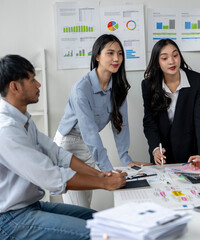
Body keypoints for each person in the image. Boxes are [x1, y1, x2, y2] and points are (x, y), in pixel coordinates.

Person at [0, 54, 127, 240]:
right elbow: (51, 177)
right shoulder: (4, 131)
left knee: (102, 221)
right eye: (32, 79)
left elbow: (57, 154)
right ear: (15, 86)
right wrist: (104, 183)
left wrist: (98, 174)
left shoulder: (22, 120)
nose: (38, 85)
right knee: (100, 234)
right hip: (9, 220)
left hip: (30, 207)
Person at [54, 34, 150, 207]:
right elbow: (90, 132)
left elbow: (121, 125)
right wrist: (107, 170)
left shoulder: (118, 87)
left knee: (86, 204)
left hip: (88, 147)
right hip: (68, 145)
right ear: (97, 56)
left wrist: (126, 158)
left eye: (120, 54)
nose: (116, 58)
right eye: (110, 53)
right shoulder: (81, 89)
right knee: (78, 208)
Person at [142, 39, 200, 165]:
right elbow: (149, 121)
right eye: (164, 58)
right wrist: (155, 149)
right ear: (157, 62)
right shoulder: (148, 85)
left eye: (175, 55)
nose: (172, 61)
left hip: (190, 152)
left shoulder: (197, 81)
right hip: (162, 153)